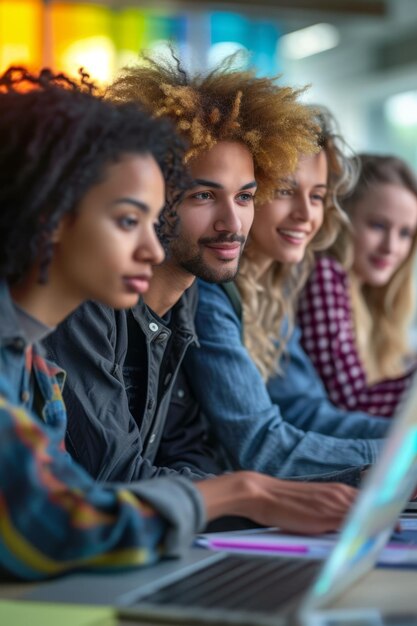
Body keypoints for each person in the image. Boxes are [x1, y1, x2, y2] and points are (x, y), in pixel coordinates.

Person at [0, 67, 357, 581]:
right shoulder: (39, 347)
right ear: (49, 217)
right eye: (129, 220)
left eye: (246, 196)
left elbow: (81, 496)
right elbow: (56, 521)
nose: (150, 246)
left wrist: (249, 496)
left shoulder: (34, 367)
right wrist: (242, 492)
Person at [43, 52, 322, 482]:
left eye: (245, 197)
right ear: (151, 193)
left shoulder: (187, 297)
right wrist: (247, 497)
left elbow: (192, 453)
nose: (232, 224)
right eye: (203, 196)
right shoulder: (86, 298)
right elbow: (115, 474)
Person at [185, 107, 388, 478]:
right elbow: (261, 447)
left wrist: (405, 443)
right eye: (284, 191)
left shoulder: (274, 284)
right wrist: (398, 458)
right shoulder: (210, 292)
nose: (305, 214)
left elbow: (305, 410)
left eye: (317, 197)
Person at [298, 153, 417, 417]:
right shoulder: (324, 275)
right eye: (377, 225)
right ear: (342, 219)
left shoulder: (371, 297)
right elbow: (351, 401)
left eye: (405, 233)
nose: (391, 247)